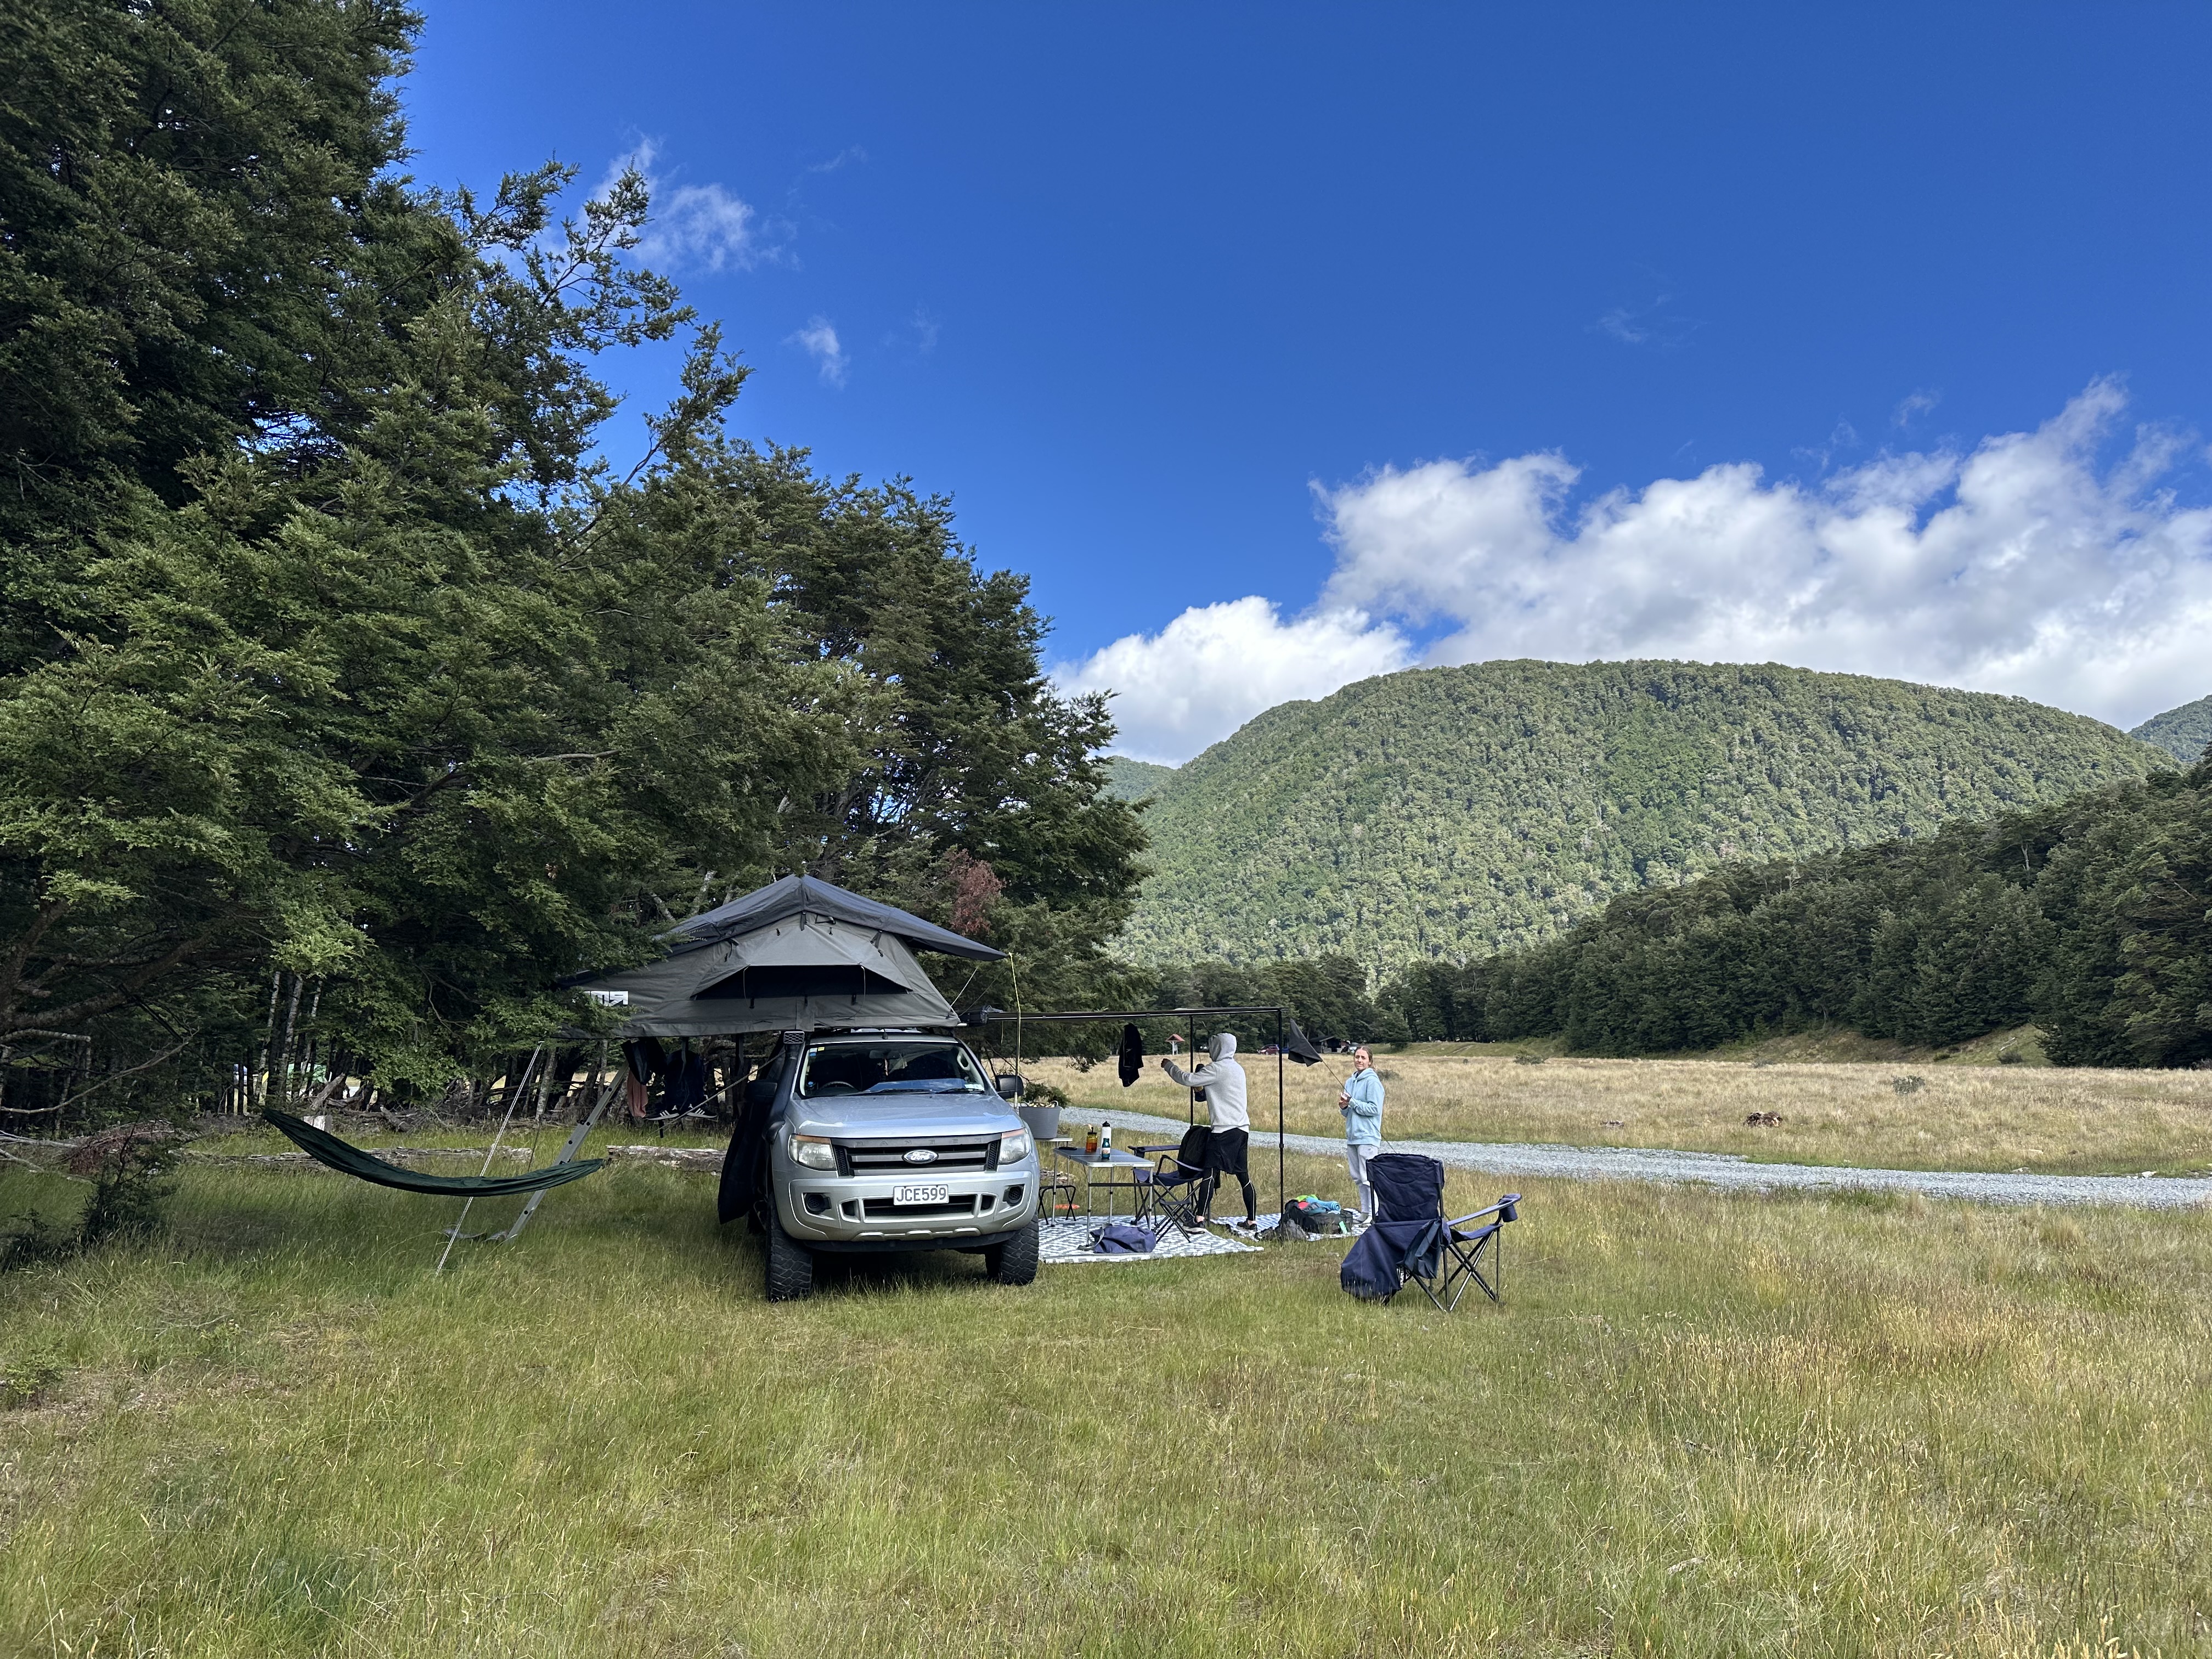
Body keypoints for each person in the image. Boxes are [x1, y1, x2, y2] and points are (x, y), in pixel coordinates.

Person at [1161, 1032, 1257, 1232]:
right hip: (1242, 1130)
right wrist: (1200, 1091)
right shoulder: (1238, 1069)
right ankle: (1251, 1221)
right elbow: (1217, 1096)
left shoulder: (1217, 1069)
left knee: (1210, 1172)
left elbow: (1187, 1079)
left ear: (1218, 1048)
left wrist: (1169, 1066)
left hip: (1223, 1130)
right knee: (1243, 1176)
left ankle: (1198, 1219)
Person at [1339, 1045, 1383, 1222]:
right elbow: (1347, 1111)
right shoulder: (1350, 1082)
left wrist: (1353, 1102)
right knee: (1358, 1177)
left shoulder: (1373, 1082)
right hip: (1353, 1136)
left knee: (1368, 1177)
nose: (1359, 1060)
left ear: (1370, 1062)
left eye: (1363, 1058)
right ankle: (1365, 1212)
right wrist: (1344, 1107)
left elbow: (1374, 1109)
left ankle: (1374, 1214)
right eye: (1357, 1057)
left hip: (1368, 1136)